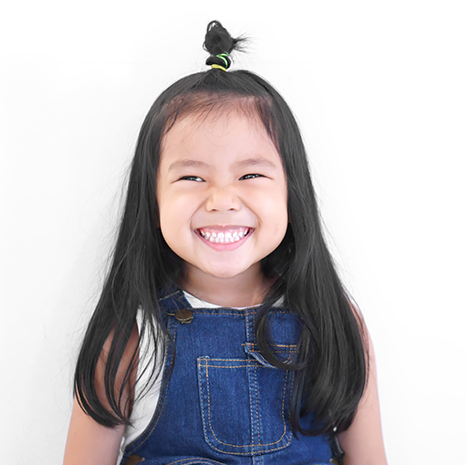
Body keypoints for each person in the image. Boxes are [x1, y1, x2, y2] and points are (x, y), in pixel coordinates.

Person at [63, 20, 387, 465]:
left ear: (291, 191)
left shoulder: (333, 321)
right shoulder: (132, 336)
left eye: (251, 175)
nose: (221, 201)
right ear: (152, 195)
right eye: (191, 177)